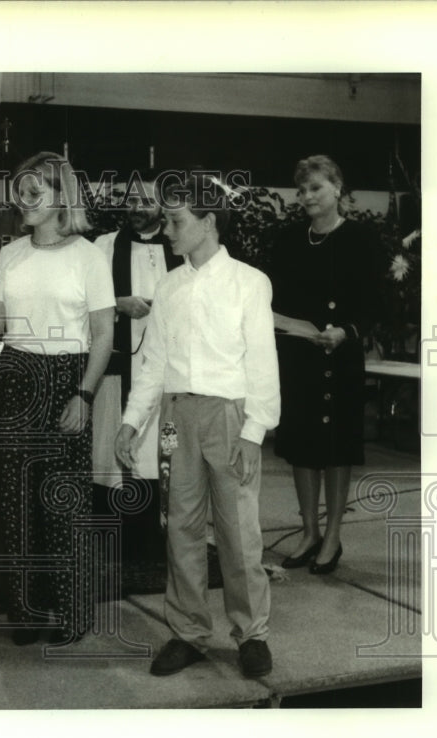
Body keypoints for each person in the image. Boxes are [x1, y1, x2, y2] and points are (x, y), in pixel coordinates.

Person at [115, 171, 279, 679]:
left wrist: (254, 432)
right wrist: (130, 420)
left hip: (228, 416)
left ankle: (251, 632)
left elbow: (263, 363)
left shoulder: (249, 283)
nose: (166, 229)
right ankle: (188, 631)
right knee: (180, 528)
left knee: (238, 531)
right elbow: (155, 362)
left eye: (176, 219)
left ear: (208, 222)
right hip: (175, 417)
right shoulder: (169, 286)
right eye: (166, 218)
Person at [0, 151, 114, 645]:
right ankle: (26, 612)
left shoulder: (88, 256)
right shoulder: (10, 255)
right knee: (16, 503)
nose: (23, 199)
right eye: (20, 189)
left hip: (68, 378)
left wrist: (83, 396)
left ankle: (72, 613)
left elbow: (103, 333)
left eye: (34, 191)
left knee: (62, 504)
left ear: (60, 196)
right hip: (17, 377)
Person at [267, 155, 386, 575]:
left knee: (336, 445)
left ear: (337, 187)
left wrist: (349, 331)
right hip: (299, 355)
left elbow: (377, 301)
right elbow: (273, 298)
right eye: (301, 191)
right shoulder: (287, 240)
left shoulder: (363, 239)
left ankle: (333, 535)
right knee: (300, 443)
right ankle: (309, 531)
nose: (306, 197)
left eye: (315, 188)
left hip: (342, 355)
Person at [93, 168, 183, 564]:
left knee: (161, 453)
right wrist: (118, 304)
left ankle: (155, 541)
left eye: (145, 200)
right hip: (118, 372)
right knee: (111, 452)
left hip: (168, 372)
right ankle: (113, 543)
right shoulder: (105, 247)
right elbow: (84, 302)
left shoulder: (180, 248)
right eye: (130, 200)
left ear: (163, 204)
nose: (135, 208)